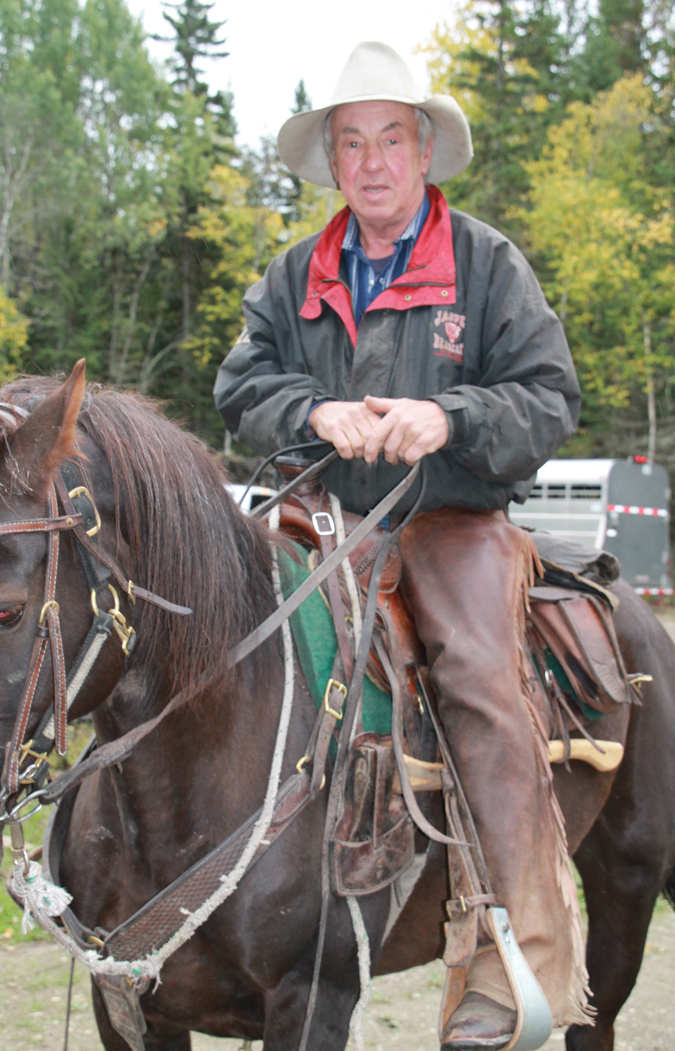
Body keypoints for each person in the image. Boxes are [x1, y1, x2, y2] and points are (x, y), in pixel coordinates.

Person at [215, 41, 591, 1050]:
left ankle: (518, 955)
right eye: (351, 141)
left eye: (390, 136)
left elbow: (551, 396)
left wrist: (448, 417)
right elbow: (240, 383)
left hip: (450, 515)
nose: (371, 159)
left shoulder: (485, 262)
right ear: (333, 162)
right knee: (222, 633)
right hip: (322, 513)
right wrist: (316, 408)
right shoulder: (295, 273)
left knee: (474, 670)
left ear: (424, 151)